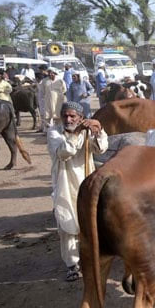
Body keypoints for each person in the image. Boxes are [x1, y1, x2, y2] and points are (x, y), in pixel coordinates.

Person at [47, 101, 108, 280]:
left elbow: (101, 148)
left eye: (73, 116)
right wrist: (77, 133)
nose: (68, 119)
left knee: (90, 222)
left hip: (85, 182)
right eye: (65, 115)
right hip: (65, 183)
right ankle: (72, 265)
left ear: (81, 117)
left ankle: (92, 256)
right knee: (67, 224)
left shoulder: (86, 131)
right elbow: (63, 153)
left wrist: (98, 130)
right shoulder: (54, 133)